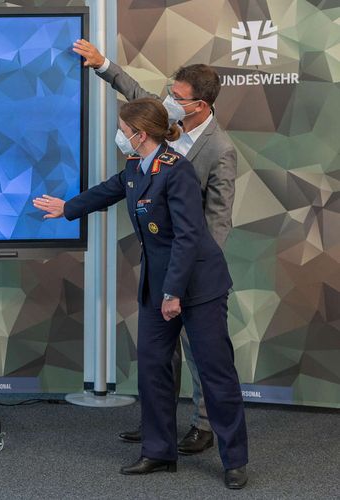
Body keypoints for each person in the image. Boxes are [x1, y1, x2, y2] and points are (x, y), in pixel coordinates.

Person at [33, 98, 248, 489]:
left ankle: (235, 460)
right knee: (153, 369)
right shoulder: (135, 166)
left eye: (123, 129)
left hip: (196, 287)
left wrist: (173, 293)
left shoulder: (176, 172)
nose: (121, 136)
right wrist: (68, 208)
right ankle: (158, 452)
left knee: (216, 374)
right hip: (159, 285)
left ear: (140, 134)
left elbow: (187, 238)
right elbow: (107, 192)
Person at [73, 39, 237, 454]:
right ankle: (157, 426)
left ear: (199, 105)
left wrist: (194, 273)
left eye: (178, 97)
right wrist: (103, 64)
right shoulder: (161, 116)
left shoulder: (219, 149)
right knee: (159, 354)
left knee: (201, 354)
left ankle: (203, 425)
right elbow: (136, 95)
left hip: (194, 264)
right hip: (158, 258)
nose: (168, 100)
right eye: (170, 92)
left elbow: (218, 216)